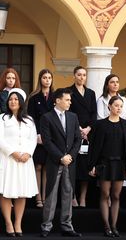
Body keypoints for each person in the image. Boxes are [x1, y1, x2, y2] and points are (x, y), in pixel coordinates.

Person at [88, 96, 126, 237]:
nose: (119, 108)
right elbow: (94, 147)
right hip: (104, 163)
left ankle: (114, 226)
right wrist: (92, 165)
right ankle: (106, 226)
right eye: (116, 105)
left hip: (120, 163)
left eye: (121, 106)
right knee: (105, 194)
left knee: (116, 195)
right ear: (109, 106)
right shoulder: (100, 124)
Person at [40, 88, 82, 238]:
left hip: (70, 162)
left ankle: (66, 226)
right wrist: (60, 157)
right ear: (58, 100)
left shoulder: (73, 117)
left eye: (70, 100)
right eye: (67, 100)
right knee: (51, 195)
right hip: (54, 161)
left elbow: (78, 138)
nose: (70, 102)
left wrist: (70, 155)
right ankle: (46, 226)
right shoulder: (47, 117)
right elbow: (47, 141)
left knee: (68, 193)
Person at [0, 88, 38, 237]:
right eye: (10, 99)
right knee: (6, 192)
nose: (13, 101)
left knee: (22, 193)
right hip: (8, 159)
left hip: (25, 160)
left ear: (21, 102)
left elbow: (33, 139)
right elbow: (0, 139)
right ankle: (8, 223)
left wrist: (28, 153)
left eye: (16, 99)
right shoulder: (2, 118)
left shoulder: (29, 120)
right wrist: (13, 152)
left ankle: (18, 223)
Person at [68, 66, 97, 208]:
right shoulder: (69, 92)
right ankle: (72, 196)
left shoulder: (91, 93)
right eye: (79, 74)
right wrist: (78, 128)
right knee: (74, 166)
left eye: (84, 75)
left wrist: (88, 128)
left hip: (88, 133)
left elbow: (94, 113)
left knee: (86, 165)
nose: (81, 77)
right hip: (74, 132)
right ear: (74, 76)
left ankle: (83, 197)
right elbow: (69, 112)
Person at [27, 69, 54, 208]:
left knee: (47, 168)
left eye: (49, 77)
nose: (47, 80)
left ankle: (45, 197)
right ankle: (38, 197)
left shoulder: (55, 97)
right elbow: (30, 117)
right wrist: (36, 134)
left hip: (51, 136)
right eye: (45, 77)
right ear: (40, 79)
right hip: (37, 135)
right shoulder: (34, 97)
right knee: (38, 165)